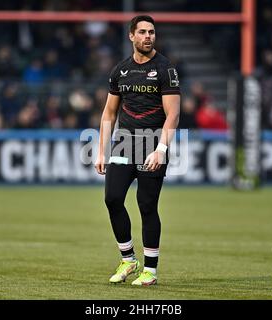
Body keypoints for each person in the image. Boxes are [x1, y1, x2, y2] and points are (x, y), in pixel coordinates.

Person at [95, 15, 180, 286]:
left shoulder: (166, 69)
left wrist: (161, 149)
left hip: (152, 143)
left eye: (152, 32)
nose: (148, 37)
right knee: (112, 198)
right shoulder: (120, 71)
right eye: (142, 32)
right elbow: (109, 113)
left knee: (146, 204)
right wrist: (100, 151)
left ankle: (151, 271)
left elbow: (173, 115)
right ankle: (129, 259)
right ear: (131, 35)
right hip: (124, 143)